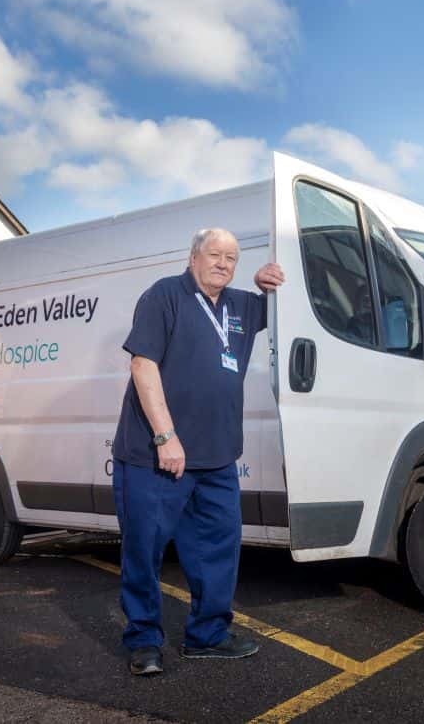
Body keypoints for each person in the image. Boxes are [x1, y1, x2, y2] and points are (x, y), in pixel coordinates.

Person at [111, 228, 284, 676]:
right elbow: (142, 363)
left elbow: (291, 304)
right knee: (144, 550)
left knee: (218, 550)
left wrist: (270, 282)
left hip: (217, 459)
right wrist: (166, 436)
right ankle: (144, 641)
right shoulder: (165, 295)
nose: (224, 263)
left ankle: (207, 636)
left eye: (232, 257)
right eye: (215, 254)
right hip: (155, 457)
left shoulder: (242, 305)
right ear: (193, 257)